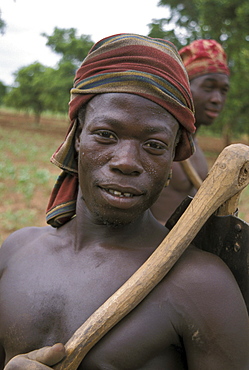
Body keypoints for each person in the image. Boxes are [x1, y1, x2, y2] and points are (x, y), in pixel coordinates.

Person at [0, 34, 248, 370]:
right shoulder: (14, 254)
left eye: (154, 145)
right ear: (76, 139)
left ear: (174, 157)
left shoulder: (202, 285)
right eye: (106, 135)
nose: (127, 161)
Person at [151, 39, 230, 225]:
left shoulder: (194, 146)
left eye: (223, 90)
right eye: (208, 88)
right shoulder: (158, 144)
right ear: (184, 88)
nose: (217, 99)